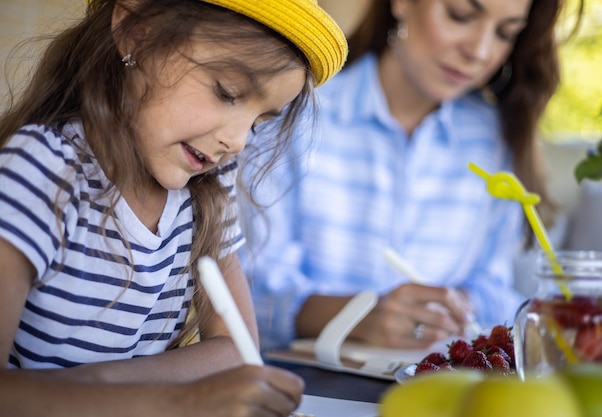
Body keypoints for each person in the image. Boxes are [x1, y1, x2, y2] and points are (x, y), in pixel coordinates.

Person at [0, 0, 347, 415]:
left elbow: (237, 348)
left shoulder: (208, 188)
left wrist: (103, 385)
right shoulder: (44, 170)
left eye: (259, 121)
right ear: (135, 32)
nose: (238, 141)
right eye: (227, 92)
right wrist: (176, 399)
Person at [240, 0, 583, 352]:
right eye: (460, 15)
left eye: (505, 33)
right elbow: (245, 295)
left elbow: (500, 289)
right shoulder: (293, 118)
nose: (479, 52)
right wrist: (358, 316)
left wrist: (457, 306)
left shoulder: (496, 140)